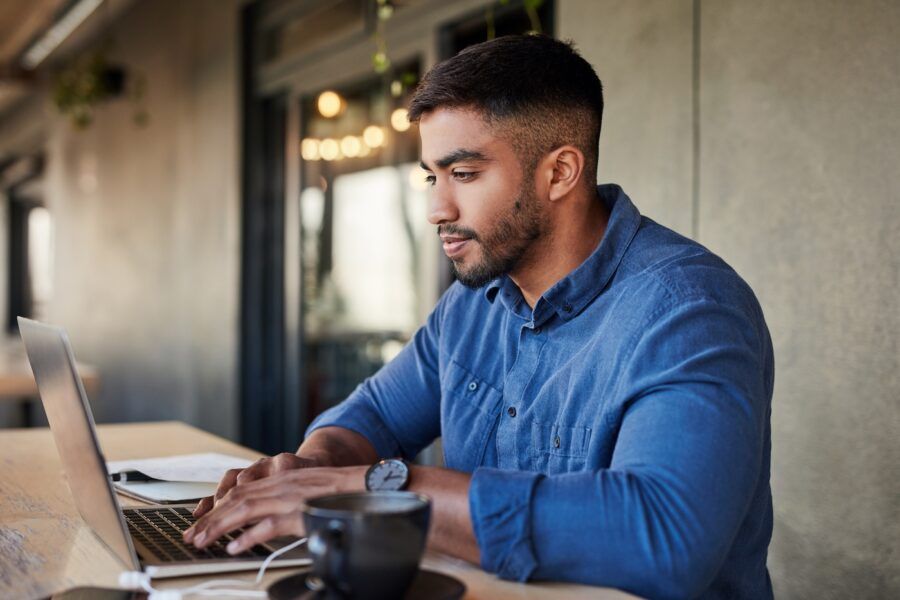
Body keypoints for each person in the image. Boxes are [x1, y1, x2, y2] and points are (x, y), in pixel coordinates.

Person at [184, 34, 774, 599]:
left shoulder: (688, 310)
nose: (438, 209)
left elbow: (664, 540)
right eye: (431, 177)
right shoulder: (472, 303)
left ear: (560, 172)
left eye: (464, 174)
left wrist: (379, 487)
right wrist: (312, 469)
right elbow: (373, 415)